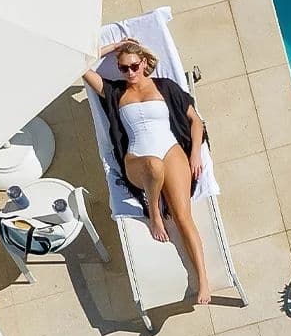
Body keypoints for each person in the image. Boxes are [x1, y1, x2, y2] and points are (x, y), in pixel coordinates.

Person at [84, 38, 211, 303]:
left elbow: (195, 121)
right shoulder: (115, 92)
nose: (129, 73)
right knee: (153, 166)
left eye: (133, 66)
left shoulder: (165, 87)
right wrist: (113, 47)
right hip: (138, 160)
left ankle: (203, 281)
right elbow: (79, 66)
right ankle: (154, 211)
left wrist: (195, 152)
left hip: (171, 150)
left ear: (144, 63)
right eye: (122, 68)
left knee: (183, 217)